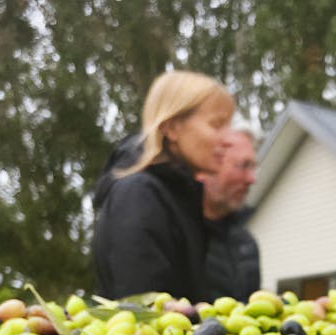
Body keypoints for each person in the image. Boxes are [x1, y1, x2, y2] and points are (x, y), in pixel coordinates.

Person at [92, 70, 234, 301]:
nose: (228, 139)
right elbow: (143, 313)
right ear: (172, 128)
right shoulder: (139, 196)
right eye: (217, 125)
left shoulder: (180, 198)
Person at [200, 129, 261, 300]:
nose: (251, 179)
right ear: (206, 167)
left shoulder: (246, 243)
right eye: (243, 165)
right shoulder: (175, 232)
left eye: (253, 168)